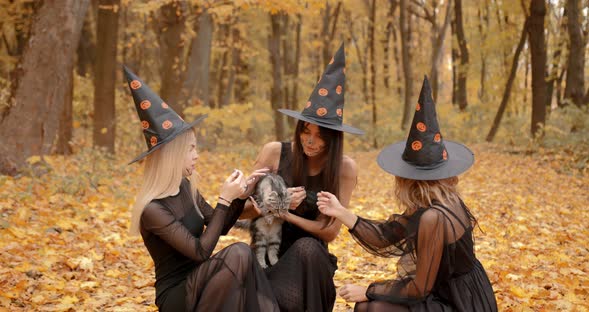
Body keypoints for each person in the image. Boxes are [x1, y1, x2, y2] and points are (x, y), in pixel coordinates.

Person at [317, 76, 498, 311]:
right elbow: (385, 236)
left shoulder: (435, 216)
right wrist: (341, 212)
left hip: (459, 303)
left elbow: (419, 289)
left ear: (408, 179)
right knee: (368, 307)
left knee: (369, 307)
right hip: (448, 293)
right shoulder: (434, 201)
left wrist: (369, 290)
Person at [123, 66, 279, 312]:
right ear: (172, 156)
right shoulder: (152, 209)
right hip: (177, 295)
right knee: (239, 253)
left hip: (203, 280)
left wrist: (240, 196)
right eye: (190, 149)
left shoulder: (184, 187)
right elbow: (200, 252)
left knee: (241, 257)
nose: (196, 155)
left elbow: (220, 226)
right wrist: (224, 199)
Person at [240, 43, 365, 312]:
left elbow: (330, 231)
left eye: (320, 136)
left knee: (307, 247)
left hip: (311, 265)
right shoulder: (274, 152)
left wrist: (286, 213)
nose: (310, 141)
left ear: (334, 138)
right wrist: (272, 201)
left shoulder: (344, 168)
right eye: (306, 131)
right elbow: (240, 210)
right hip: (267, 257)